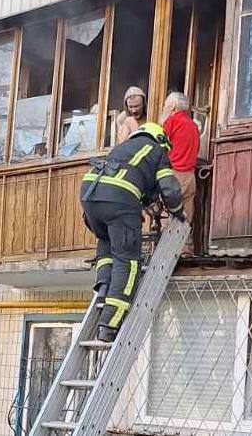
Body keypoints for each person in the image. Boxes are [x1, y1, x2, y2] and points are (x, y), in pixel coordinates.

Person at [80, 122, 184, 342]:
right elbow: (170, 190)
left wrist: (145, 203)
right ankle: (109, 325)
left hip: (90, 196)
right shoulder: (157, 151)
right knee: (127, 261)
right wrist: (178, 212)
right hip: (118, 199)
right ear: (161, 140)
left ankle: (104, 286)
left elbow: (134, 179)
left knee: (106, 240)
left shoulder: (123, 148)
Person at [161, 92, 200, 256]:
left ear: (173, 106)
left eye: (165, 105)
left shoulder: (171, 121)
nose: (164, 108)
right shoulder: (194, 126)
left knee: (168, 212)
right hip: (190, 176)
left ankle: (165, 251)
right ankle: (186, 249)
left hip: (174, 174)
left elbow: (161, 147)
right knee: (186, 215)